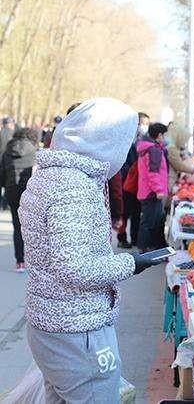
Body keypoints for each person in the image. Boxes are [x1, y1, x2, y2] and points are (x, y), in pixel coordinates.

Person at [18, 98, 161, 402]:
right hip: (77, 332)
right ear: (108, 141)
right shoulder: (74, 188)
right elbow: (74, 268)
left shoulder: (51, 173)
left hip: (51, 324)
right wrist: (130, 263)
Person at [0, 127, 38, 272]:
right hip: (29, 193)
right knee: (31, 227)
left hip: (11, 191)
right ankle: (34, 260)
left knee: (17, 226)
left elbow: (2, 174)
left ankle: (20, 262)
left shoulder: (6, 152)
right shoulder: (34, 152)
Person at [118, 112, 149, 248]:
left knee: (136, 212)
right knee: (124, 213)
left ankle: (135, 238)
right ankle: (122, 237)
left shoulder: (144, 141)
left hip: (138, 184)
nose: (143, 126)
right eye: (141, 123)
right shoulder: (125, 142)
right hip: (126, 182)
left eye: (146, 124)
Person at [136, 122, 169, 253]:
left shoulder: (149, 148)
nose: (165, 138)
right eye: (164, 135)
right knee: (150, 221)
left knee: (149, 220)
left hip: (146, 190)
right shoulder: (153, 150)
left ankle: (145, 247)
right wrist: (159, 190)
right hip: (152, 192)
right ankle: (145, 249)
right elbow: (153, 173)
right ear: (159, 135)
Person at [166, 122, 194, 193]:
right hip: (169, 178)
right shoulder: (171, 148)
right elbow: (178, 165)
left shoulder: (171, 145)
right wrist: (192, 170)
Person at [0, 116, 16, 210]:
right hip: (10, 161)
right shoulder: (14, 134)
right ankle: (5, 204)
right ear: (10, 124)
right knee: (7, 183)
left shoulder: (0, 132)